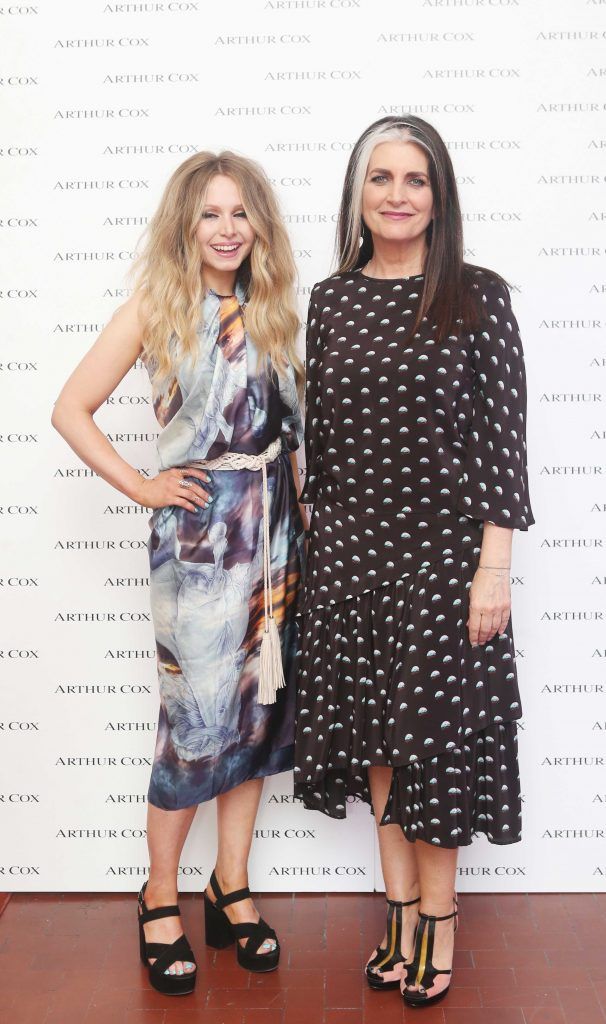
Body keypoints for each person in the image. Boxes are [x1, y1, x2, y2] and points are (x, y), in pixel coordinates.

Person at [51, 151, 306, 994]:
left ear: (258, 225)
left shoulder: (273, 312)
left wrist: (306, 524)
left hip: (273, 539)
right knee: (195, 724)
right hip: (197, 544)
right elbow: (69, 408)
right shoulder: (157, 308)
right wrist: (142, 485)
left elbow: (292, 438)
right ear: (185, 226)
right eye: (210, 214)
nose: (227, 229)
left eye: (241, 213)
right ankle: (158, 892)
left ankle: (229, 884)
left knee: (259, 721)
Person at [295, 115, 534, 1008]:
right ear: (359, 194)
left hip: (443, 560)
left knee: (432, 751)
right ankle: (398, 911)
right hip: (350, 557)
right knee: (379, 748)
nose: (397, 195)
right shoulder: (331, 299)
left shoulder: (477, 294)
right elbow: (323, 438)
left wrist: (493, 567)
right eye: (381, 178)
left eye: (416, 180)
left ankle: (440, 917)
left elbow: (503, 445)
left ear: (440, 198)